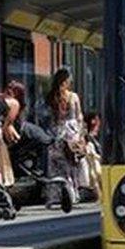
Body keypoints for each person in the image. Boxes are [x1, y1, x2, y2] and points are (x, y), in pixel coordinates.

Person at [45, 68, 85, 208]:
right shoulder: (73, 97)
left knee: (55, 166)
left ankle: (54, 196)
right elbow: (79, 116)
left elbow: (48, 117)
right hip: (71, 133)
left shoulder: (51, 97)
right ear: (66, 81)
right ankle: (71, 194)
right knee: (71, 164)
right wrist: (81, 135)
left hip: (56, 132)